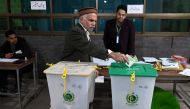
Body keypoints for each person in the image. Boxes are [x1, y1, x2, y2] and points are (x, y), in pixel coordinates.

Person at [62, 7, 128, 62]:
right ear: (82, 19)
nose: (94, 24)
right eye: (91, 20)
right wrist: (112, 54)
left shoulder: (84, 31)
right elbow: (89, 47)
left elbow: (87, 52)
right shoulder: (75, 31)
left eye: (95, 21)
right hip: (69, 70)